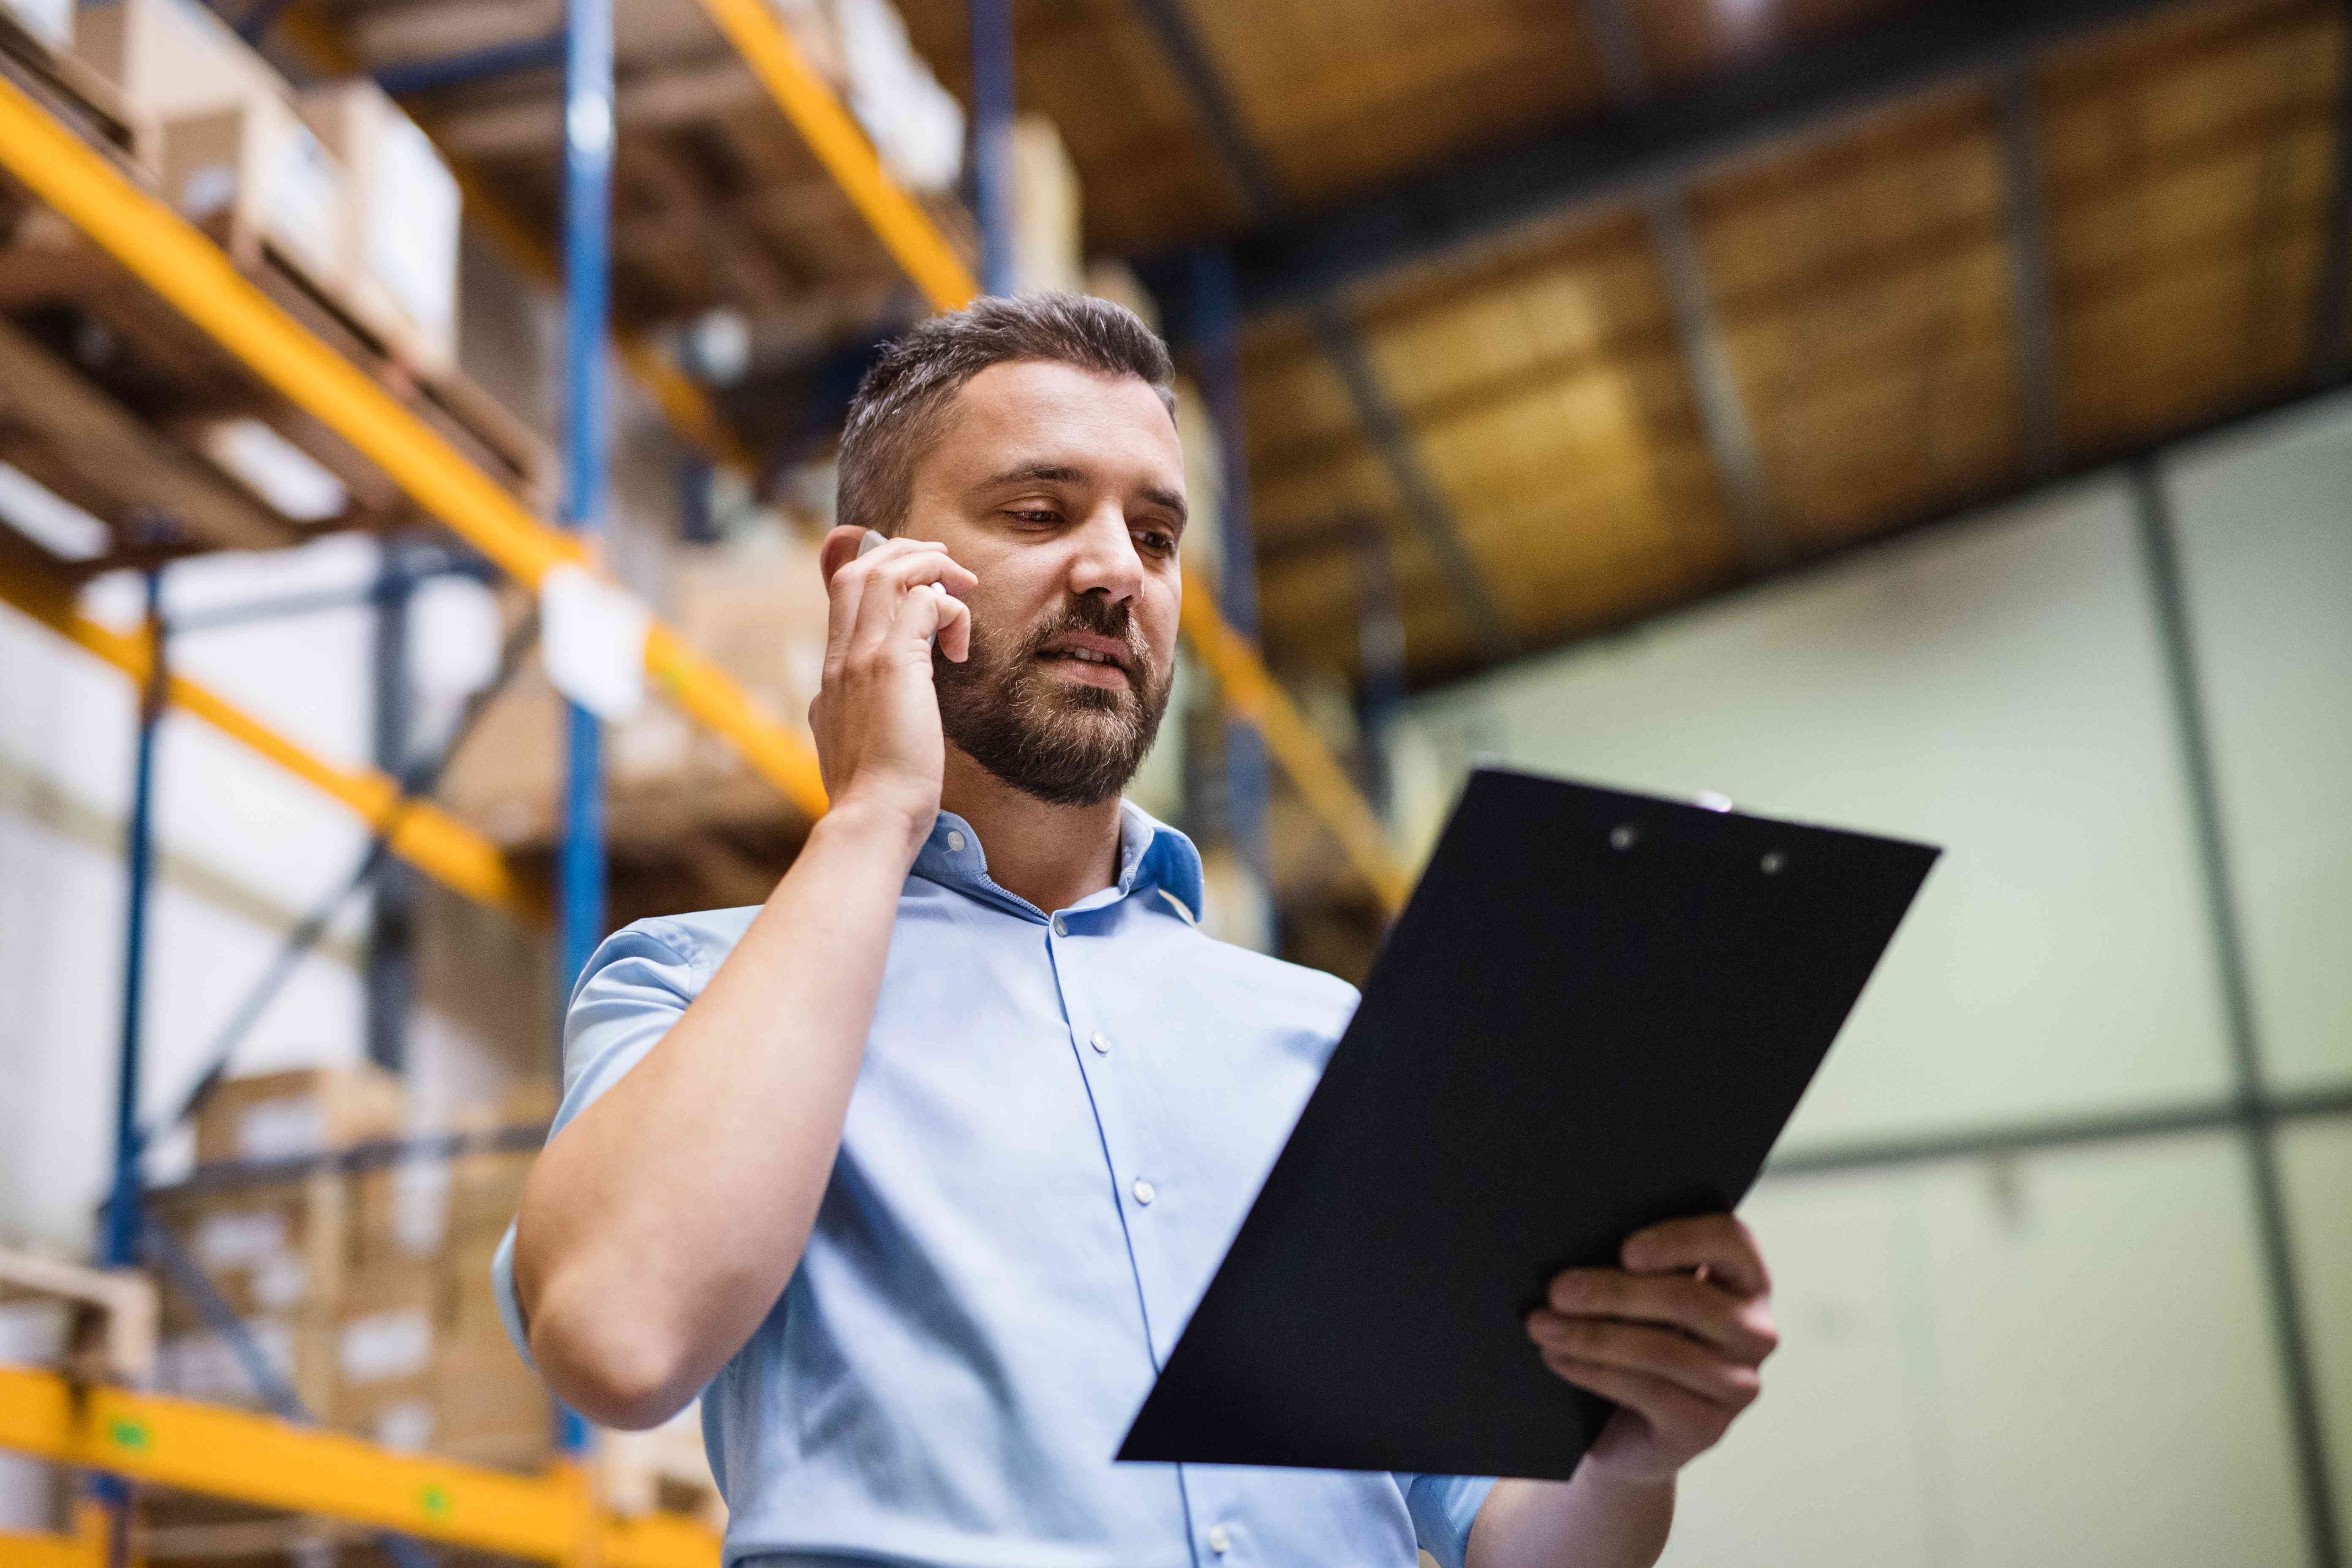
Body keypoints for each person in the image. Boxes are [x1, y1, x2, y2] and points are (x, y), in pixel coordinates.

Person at [495, 293, 1779, 1568]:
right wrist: (877, 811)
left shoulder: (1330, 1043)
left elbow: (1503, 1543)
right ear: (868, 579)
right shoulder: (695, 990)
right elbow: (619, 1334)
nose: (1117, 571)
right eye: (1040, 513)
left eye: (1156, 536)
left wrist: (1626, 1454)